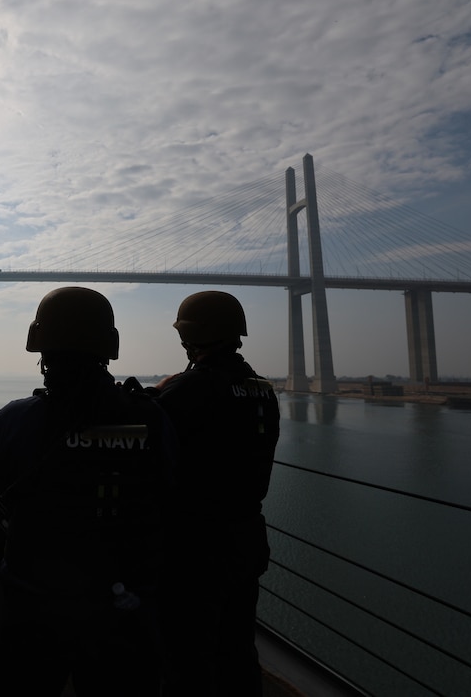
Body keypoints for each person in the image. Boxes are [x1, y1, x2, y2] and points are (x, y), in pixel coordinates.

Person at [0, 286, 176, 697]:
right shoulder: (150, 418)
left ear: (41, 348)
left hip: (33, 607)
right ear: (107, 347)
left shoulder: (16, 419)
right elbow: (168, 482)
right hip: (122, 612)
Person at [149, 290, 280, 696]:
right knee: (238, 650)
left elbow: (146, 433)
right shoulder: (264, 390)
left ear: (190, 338)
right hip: (246, 543)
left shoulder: (189, 389)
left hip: (195, 549)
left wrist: (156, 393)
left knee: (185, 658)